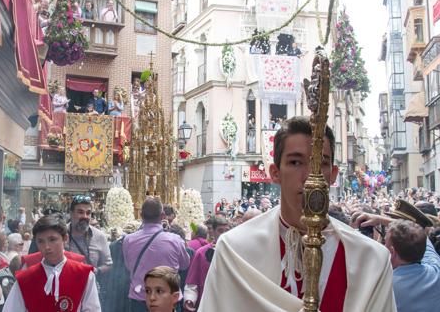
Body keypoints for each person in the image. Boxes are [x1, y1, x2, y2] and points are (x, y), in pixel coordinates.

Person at [199, 117, 395, 311]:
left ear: (333, 175)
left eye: (321, 163)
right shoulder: (235, 251)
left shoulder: (371, 261)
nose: (310, 177)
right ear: (275, 173)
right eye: (295, 162)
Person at [3, 215, 101, 311]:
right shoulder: (25, 279)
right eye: (41, 241)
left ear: (65, 239)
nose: (47, 247)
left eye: (52, 239)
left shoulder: (84, 274)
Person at [122, 197, 190, 312]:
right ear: (163, 216)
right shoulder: (175, 240)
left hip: (140, 299)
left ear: (141, 215)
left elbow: (128, 267)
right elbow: (185, 265)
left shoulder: (128, 240)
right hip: (168, 301)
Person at [66, 195, 112, 300]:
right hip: (65, 291)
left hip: (90, 293)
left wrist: (96, 270)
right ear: (71, 213)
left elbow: (108, 264)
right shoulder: (60, 234)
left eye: (88, 213)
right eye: (80, 212)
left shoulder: (99, 236)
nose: (85, 216)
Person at [183, 217, 230, 311]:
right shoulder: (201, 253)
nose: (224, 234)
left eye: (227, 231)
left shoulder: (235, 253)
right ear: (213, 232)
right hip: (207, 304)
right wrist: (189, 299)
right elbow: (192, 281)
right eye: (220, 231)